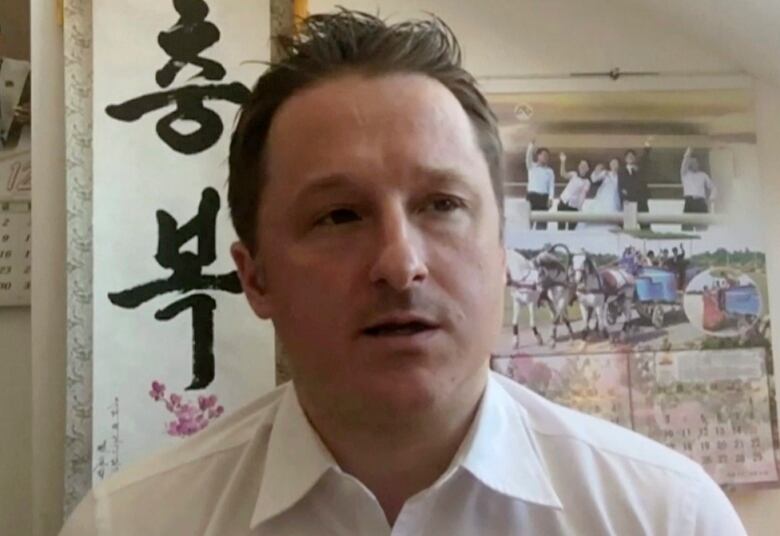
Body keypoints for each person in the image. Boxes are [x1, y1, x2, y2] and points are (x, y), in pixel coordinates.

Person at [61, 10, 746, 536]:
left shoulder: (663, 516)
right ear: (255, 277)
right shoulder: (131, 522)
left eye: (442, 206)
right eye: (338, 216)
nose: (400, 264)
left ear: (503, 254)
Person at [619, 139, 653, 230]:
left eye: (632, 156)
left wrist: (647, 146)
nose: (630, 157)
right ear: (625, 159)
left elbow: (645, 159)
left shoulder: (639, 168)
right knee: (629, 226)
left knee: (645, 225)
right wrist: (623, 198)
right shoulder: (621, 171)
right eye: (628, 156)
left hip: (641, 200)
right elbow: (620, 186)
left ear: (634, 158)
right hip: (629, 201)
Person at [681, 147, 716, 231]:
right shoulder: (685, 174)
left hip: (700, 203)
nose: (694, 164)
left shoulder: (703, 175)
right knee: (687, 227)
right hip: (689, 202)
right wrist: (689, 150)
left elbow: (713, 187)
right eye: (692, 162)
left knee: (702, 227)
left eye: (696, 162)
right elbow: (685, 161)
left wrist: (711, 199)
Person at [525, 140, 555, 230]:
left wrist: (550, 198)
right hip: (532, 196)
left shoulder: (550, 171)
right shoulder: (531, 167)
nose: (546, 157)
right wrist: (531, 146)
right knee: (528, 222)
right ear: (538, 156)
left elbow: (551, 186)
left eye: (547, 156)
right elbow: (528, 157)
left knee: (542, 224)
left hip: (543, 198)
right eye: (544, 155)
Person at [556, 153, 590, 230]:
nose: (582, 167)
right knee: (560, 228)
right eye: (581, 165)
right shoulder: (574, 174)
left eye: (584, 166)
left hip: (574, 207)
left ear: (588, 168)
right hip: (563, 202)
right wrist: (563, 161)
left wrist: (579, 208)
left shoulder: (587, 182)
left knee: (571, 229)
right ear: (578, 166)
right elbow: (563, 174)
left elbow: (583, 195)